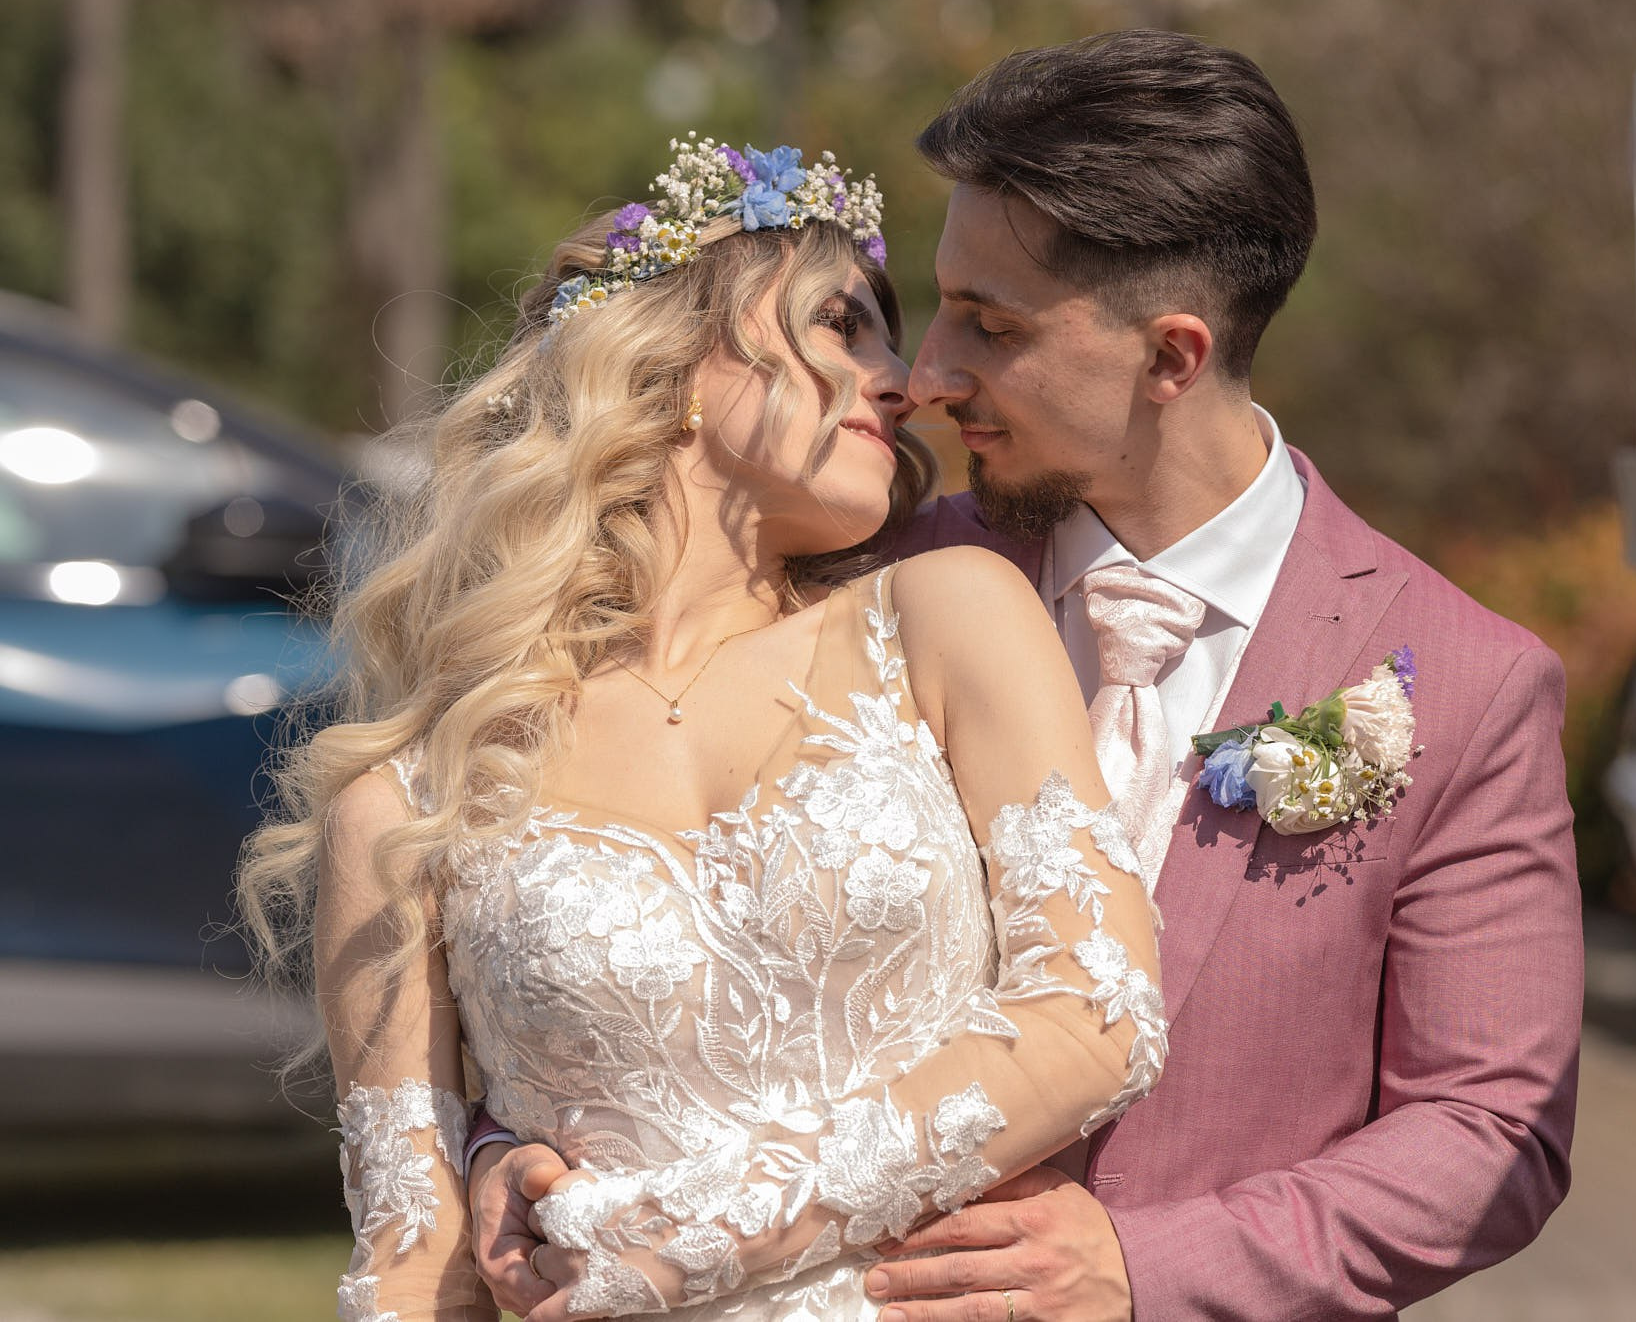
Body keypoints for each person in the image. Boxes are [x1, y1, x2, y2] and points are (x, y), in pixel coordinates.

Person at [472, 30, 1585, 1321]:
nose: (924, 376)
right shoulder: (865, 583)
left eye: (989, 325)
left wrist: (1146, 1269)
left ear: (1171, 356)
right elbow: (628, 882)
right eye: (939, 301)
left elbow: (1493, 1129)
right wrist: (514, 1138)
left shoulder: (1467, 685)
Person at [237, 134, 1168, 1322]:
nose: (903, 381)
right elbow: (408, 1267)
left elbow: (1095, 1011)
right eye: (843, 325)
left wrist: (709, 1236)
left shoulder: (947, 615)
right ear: (677, 360)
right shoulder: (414, 800)